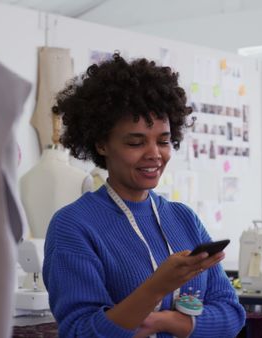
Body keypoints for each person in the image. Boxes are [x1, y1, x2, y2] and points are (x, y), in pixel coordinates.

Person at [43, 54, 245, 338]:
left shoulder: (183, 218)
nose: (154, 154)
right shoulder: (73, 226)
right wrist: (157, 287)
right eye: (135, 142)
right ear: (101, 143)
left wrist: (164, 322)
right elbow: (80, 332)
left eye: (163, 141)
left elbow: (231, 314)